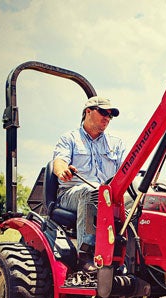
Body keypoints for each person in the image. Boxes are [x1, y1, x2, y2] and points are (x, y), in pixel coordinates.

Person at [52, 96, 126, 272]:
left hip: (108, 196)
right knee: (91, 190)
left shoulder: (116, 144)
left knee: (139, 198)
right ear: (88, 112)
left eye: (111, 115)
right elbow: (59, 161)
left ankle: (133, 255)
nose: (107, 118)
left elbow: (125, 172)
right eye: (103, 112)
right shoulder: (69, 138)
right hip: (72, 194)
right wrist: (63, 171)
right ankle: (86, 254)